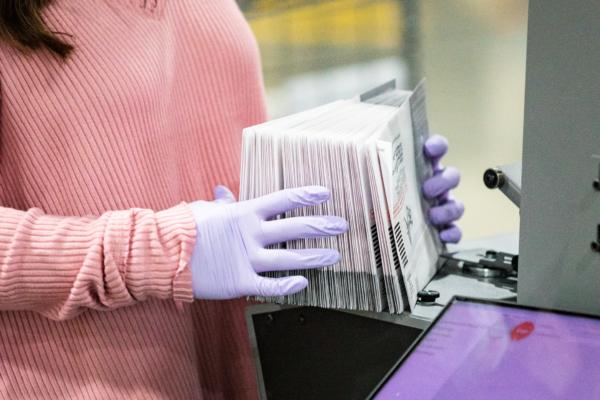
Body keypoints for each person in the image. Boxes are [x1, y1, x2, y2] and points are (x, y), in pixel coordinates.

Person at [0, 1, 464, 398]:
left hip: (247, 367)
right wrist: (154, 250)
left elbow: (200, 155)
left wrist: (373, 213)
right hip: (88, 378)